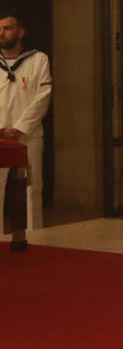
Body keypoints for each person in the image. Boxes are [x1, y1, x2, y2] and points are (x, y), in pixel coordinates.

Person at [0, 14, 52, 233]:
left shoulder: (38, 59)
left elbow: (43, 96)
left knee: (31, 189)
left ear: (21, 32)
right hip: (0, 136)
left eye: (8, 28)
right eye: (0, 28)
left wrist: (20, 128)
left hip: (28, 135)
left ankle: (35, 235)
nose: (2, 33)